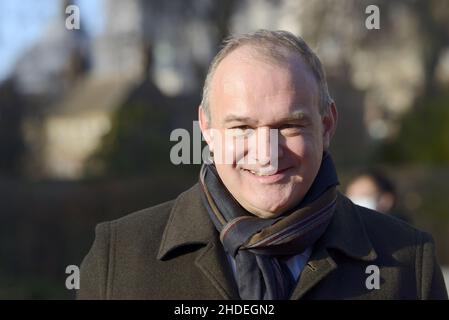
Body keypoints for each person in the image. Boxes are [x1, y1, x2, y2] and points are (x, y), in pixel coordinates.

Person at [78, 30, 447, 300]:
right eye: (242, 127)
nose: (266, 152)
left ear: (328, 125)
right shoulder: (120, 256)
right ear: (206, 129)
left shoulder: (409, 263)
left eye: (289, 125)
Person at [345, 169, 412, 223]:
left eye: (364, 195)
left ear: (386, 200)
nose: (355, 200)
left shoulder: (408, 237)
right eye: (350, 195)